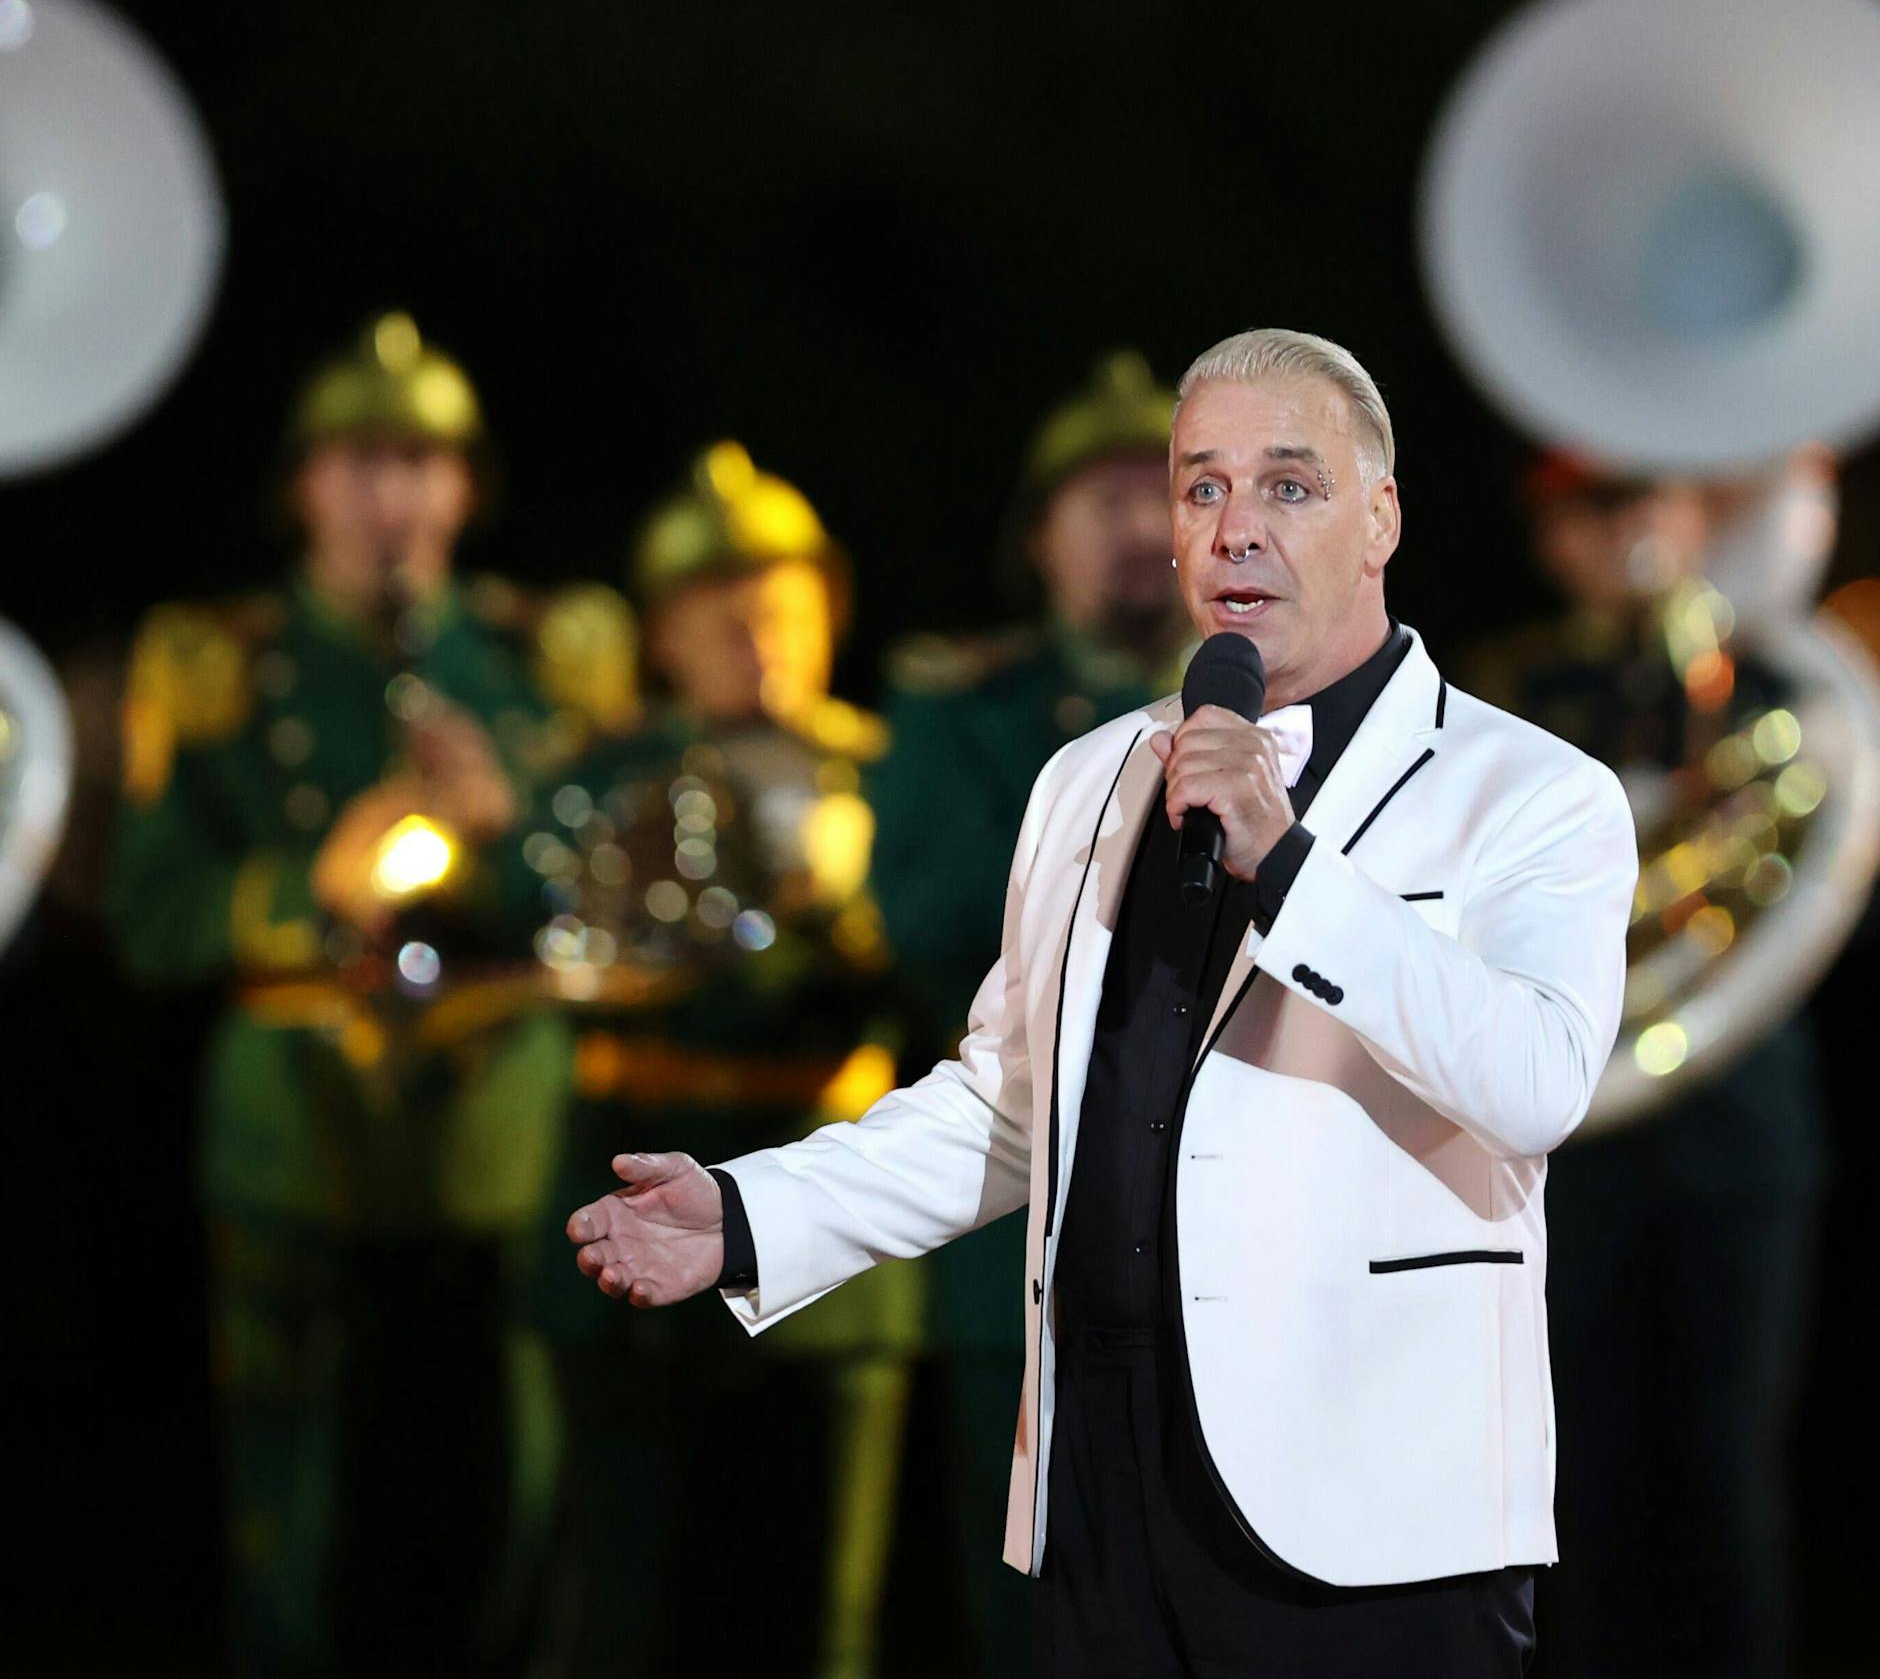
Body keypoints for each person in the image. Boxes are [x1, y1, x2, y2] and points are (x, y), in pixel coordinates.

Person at [565, 328, 1637, 1678]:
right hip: (1103, 1485)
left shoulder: (1529, 790)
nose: (1236, 528)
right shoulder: (1090, 780)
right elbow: (1012, 1105)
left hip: (1373, 1512)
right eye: (1203, 488)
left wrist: (1288, 866)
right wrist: (747, 1213)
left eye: (1289, 487)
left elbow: (1537, 1079)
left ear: (1382, 519)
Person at [110, 314, 635, 1677]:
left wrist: (512, 825)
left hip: (499, 1165)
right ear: (303, 487)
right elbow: (152, 919)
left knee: (507, 1510)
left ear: (466, 489)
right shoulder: (221, 662)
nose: (391, 498)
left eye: (421, 464)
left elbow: (620, 908)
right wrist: (311, 888)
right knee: (298, 1524)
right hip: (299, 1151)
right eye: (358, 463)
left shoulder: (540, 660)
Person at [535, 442, 920, 1679]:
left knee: (820, 1608)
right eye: (723, 612)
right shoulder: (607, 777)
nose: (759, 636)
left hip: (831, 1213)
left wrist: (858, 917)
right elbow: (530, 916)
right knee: (627, 1595)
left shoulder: (887, 773)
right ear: (663, 633)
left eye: (785, 607)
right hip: (637, 1193)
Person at [1464, 453, 1832, 1679]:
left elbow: (1831, 903)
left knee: (1726, 1469)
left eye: (1648, 497)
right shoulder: (1502, 697)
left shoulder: (1784, 689)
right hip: (1560, 1144)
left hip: (1738, 1131)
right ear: (1547, 535)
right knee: (1574, 1476)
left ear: (1696, 509)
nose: (1626, 528)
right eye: (1590, 507)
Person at [868, 349, 1191, 1672]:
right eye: (1099, 501)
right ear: (1039, 542)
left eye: (1164, 496)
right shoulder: (964, 712)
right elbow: (925, 919)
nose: (1137, 527)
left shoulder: (1305, 704)